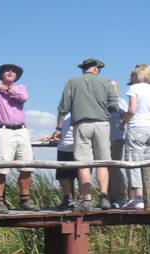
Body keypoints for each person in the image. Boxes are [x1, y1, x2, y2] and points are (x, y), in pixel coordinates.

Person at [0, 40, 39, 214]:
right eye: (7, 70)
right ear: (2, 74)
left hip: (22, 130)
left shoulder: (20, 87)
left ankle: (25, 200)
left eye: (13, 71)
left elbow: (23, 98)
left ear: (16, 76)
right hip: (3, 131)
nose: (10, 72)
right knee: (2, 166)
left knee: (27, 165)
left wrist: (6, 88)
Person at [53, 58, 119, 212]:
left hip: (81, 124)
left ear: (84, 69)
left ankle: (87, 199)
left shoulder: (72, 82)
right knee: (102, 162)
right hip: (102, 124)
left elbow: (63, 108)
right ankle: (104, 196)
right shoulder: (106, 83)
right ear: (96, 68)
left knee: (83, 163)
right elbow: (114, 106)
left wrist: (59, 128)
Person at [120, 64, 150, 209]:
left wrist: (123, 122)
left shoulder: (135, 88)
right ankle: (148, 197)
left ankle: (138, 197)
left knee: (134, 163)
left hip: (137, 127)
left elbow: (132, 110)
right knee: (147, 163)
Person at [42, 115, 77, 210]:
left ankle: (83, 200)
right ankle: (68, 200)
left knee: (79, 175)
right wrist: (52, 135)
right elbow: (63, 129)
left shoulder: (80, 109)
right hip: (63, 148)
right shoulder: (65, 114)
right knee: (63, 176)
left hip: (78, 148)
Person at [108, 80, 129, 208]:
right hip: (103, 138)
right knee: (105, 168)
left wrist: (122, 125)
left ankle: (119, 197)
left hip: (116, 138)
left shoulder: (120, 101)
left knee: (115, 168)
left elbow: (127, 115)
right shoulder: (102, 101)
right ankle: (109, 196)